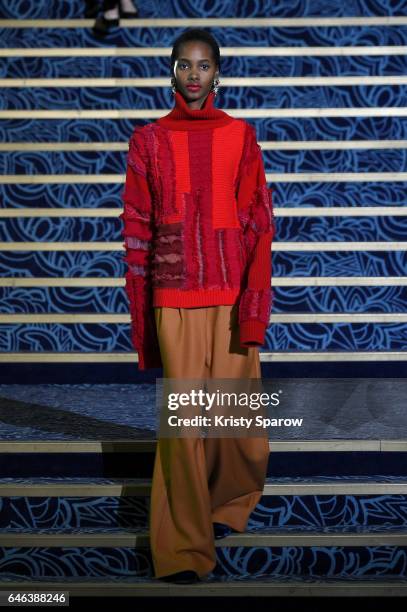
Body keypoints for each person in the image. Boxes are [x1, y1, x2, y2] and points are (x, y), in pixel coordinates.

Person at [119, 28, 275, 584]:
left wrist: (255, 306)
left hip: (231, 294)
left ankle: (228, 501)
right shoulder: (148, 141)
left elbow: (258, 221)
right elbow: (136, 226)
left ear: (217, 73)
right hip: (174, 292)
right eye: (183, 65)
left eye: (203, 65)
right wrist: (143, 318)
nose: (192, 74)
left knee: (238, 426)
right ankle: (183, 550)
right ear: (171, 72)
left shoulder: (240, 136)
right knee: (183, 427)